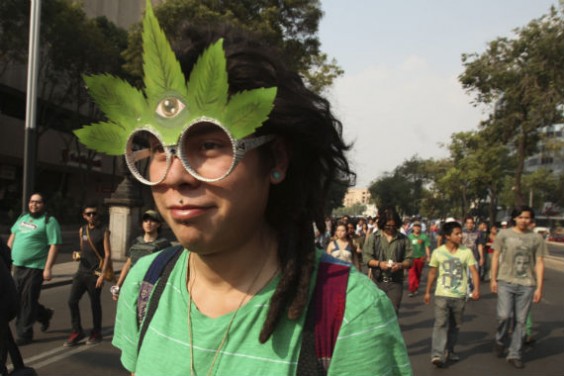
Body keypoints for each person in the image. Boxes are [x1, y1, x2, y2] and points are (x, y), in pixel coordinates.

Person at [74, 4, 412, 375]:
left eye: (207, 146)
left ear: (277, 160)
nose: (175, 176)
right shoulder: (145, 284)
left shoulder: (350, 314)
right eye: (158, 149)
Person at [490, 205, 546, 369]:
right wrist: (493, 279)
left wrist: (539, 287)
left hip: (527, 284)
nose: (524, 220)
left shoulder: (536, 238)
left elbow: (540, 262)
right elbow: (495, 257)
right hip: (506, 281)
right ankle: (500, 340)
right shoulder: (504, 235)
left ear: (531, 220)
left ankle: (515, 353)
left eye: (527, 217)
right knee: (504, 316)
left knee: (521, 321)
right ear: (514, 218)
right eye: (521, 217)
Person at [7, 193, 61, 346]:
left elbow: (54, 245)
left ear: (43, 204)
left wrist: (48, 268)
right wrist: (5, 258)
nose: (33, 205)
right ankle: (44, 314)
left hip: (35, 267)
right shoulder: (23, 218)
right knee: (17, 299)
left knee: (28, 300)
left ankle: (24, 333)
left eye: (38, 202)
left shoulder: (49, 221)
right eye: (31, 202)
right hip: (17, 265)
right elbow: (13, 237)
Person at [424, 221, 479, 368]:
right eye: (457, 233)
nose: (461, 236)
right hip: (442, 294)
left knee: (455, 326)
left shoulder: (466, 252)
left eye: (460, 233)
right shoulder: (438, 252)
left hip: (459, 295)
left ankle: (450, 349)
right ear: (448, 236)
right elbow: (432, 272)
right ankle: (437, 354)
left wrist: (476, 289)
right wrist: (428, 291)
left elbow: (473, 271)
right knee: (440, 323)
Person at [64, 203, 112, 347]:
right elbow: (82, 249)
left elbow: (108, 254)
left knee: (94, 304)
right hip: (81, 272)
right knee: (72, 301)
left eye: (94, 213)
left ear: (97, 215)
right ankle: (77, 331)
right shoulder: (82, 230)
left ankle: (96, 332)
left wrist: (102, 275)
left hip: (95, 273)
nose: (92, 216)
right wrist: (78, 255)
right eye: (89, 213)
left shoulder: (103, 231)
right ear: (84, 216)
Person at [111, 210, 171, 300]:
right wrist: (118, 286)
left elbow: (168, 269)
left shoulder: (163, 244)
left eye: (152, 220)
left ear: (158, 224)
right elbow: (128, 264)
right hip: (132, 284)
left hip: (151, 287)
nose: (148, 223)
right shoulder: (136, 241)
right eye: (146, 220)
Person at [364, 206, 413, 314]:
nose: (390, 228)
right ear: (382, 224)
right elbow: (366, 258)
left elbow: (409, 259)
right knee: (377, 312)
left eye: (393, 226)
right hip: (377, 281)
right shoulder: (374, 237)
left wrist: (400, 265)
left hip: (396, 282)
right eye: (387, 226)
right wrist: (379, 264)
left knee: (392, 312)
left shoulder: (403, 239)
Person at [461, 216, 484, 296]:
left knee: (473, 275)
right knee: (464, 275)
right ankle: (466, 291)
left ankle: (473, 290)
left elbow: (480, 245)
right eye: (468, 223)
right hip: (463, 257)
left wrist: (481, 257)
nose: (469, 224)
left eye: (471, 223)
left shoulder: (478, 233)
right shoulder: (461, 232)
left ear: (473, 224)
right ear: (465, 224)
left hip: (474, 257)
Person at [407, 221, 430, 297]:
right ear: (413, 228)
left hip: (420, 258)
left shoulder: (424, 237)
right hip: (411, 258)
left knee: (418, 274)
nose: (417, 228)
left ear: (420, 228)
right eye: (415, 226)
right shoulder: (409, 237)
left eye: (418, 226)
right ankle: (411, 290)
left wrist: (428, 256)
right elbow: (406, 247)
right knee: (412, 274)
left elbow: (427, 247)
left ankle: (416, 288)